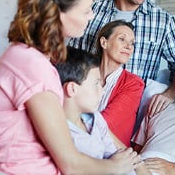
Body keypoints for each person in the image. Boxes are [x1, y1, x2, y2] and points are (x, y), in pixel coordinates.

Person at [0, 0, 140, 174]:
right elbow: (71, 164)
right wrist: (115, 166)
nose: (91, 16)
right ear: (59, 13)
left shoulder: (35, 59)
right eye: (86, 10)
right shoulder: (29, 64)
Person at [68, 0, 175, 116]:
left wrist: (170, 93)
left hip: (133, 112)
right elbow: (72, 58)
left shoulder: (162, 20)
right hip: (89, 106)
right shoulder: (93, 11)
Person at [56, 47, 150, 175]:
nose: (102, 90)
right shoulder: (59, 133)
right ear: (72, 89)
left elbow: (122, 156)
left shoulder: (93, 119)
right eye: (96, 84)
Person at [87, 20, 144, 146]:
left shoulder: (134, 84)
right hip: (77, 142)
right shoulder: (84, 74)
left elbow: (105, 125)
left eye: (132, 43)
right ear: (104, 42)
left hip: (109, 153)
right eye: (122, 39)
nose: (128, 46)